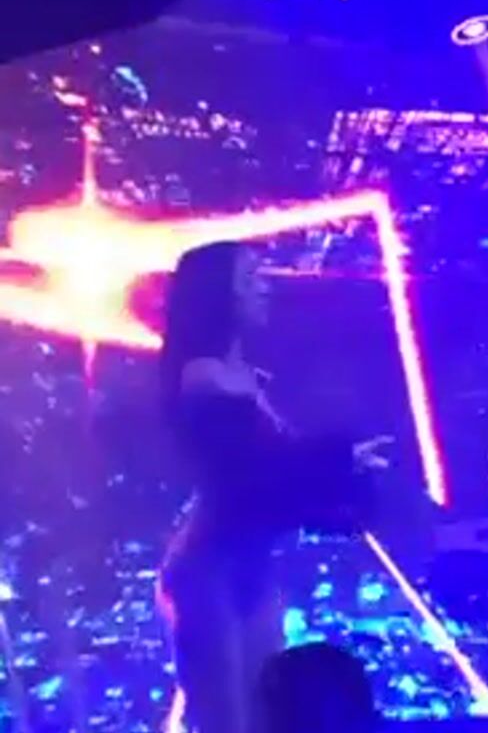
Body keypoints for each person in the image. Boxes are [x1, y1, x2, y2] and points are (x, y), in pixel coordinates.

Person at [157, 241, 389, 733]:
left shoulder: (243, 377)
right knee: (228, 720)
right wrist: (336, 460)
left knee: (265, 716)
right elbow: (247, 473)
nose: (264, 288)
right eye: (250, 278)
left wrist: (339, 473)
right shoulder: (205, 377)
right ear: (219, 294)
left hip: (249, 566)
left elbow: (274, 474)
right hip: (211, 568)